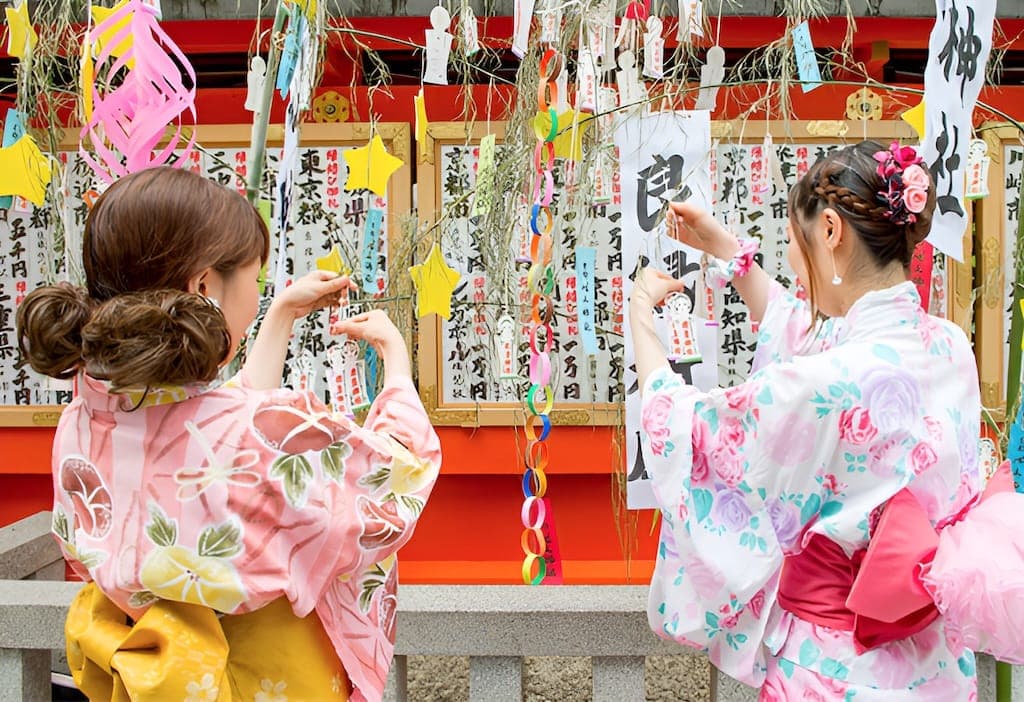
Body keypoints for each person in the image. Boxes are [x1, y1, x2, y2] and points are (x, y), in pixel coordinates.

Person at [16, 166, 441, 702]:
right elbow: (397, 480)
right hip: (261, 677)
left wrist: (281, 314)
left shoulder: (86, 416)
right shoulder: (260, 433)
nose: (259, 296)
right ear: (204, 286)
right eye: (255, 283)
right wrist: (398, 370)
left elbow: (213, 431)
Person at [630, 141, 986, 699]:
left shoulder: (826, 379)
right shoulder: (948, 347)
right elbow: (809, 330)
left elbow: (686, 429)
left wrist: (641, 324)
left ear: (830, 231)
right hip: (936, 666)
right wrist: (720, 244)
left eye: (796, 243)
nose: (795, 263)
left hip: (834, 668)